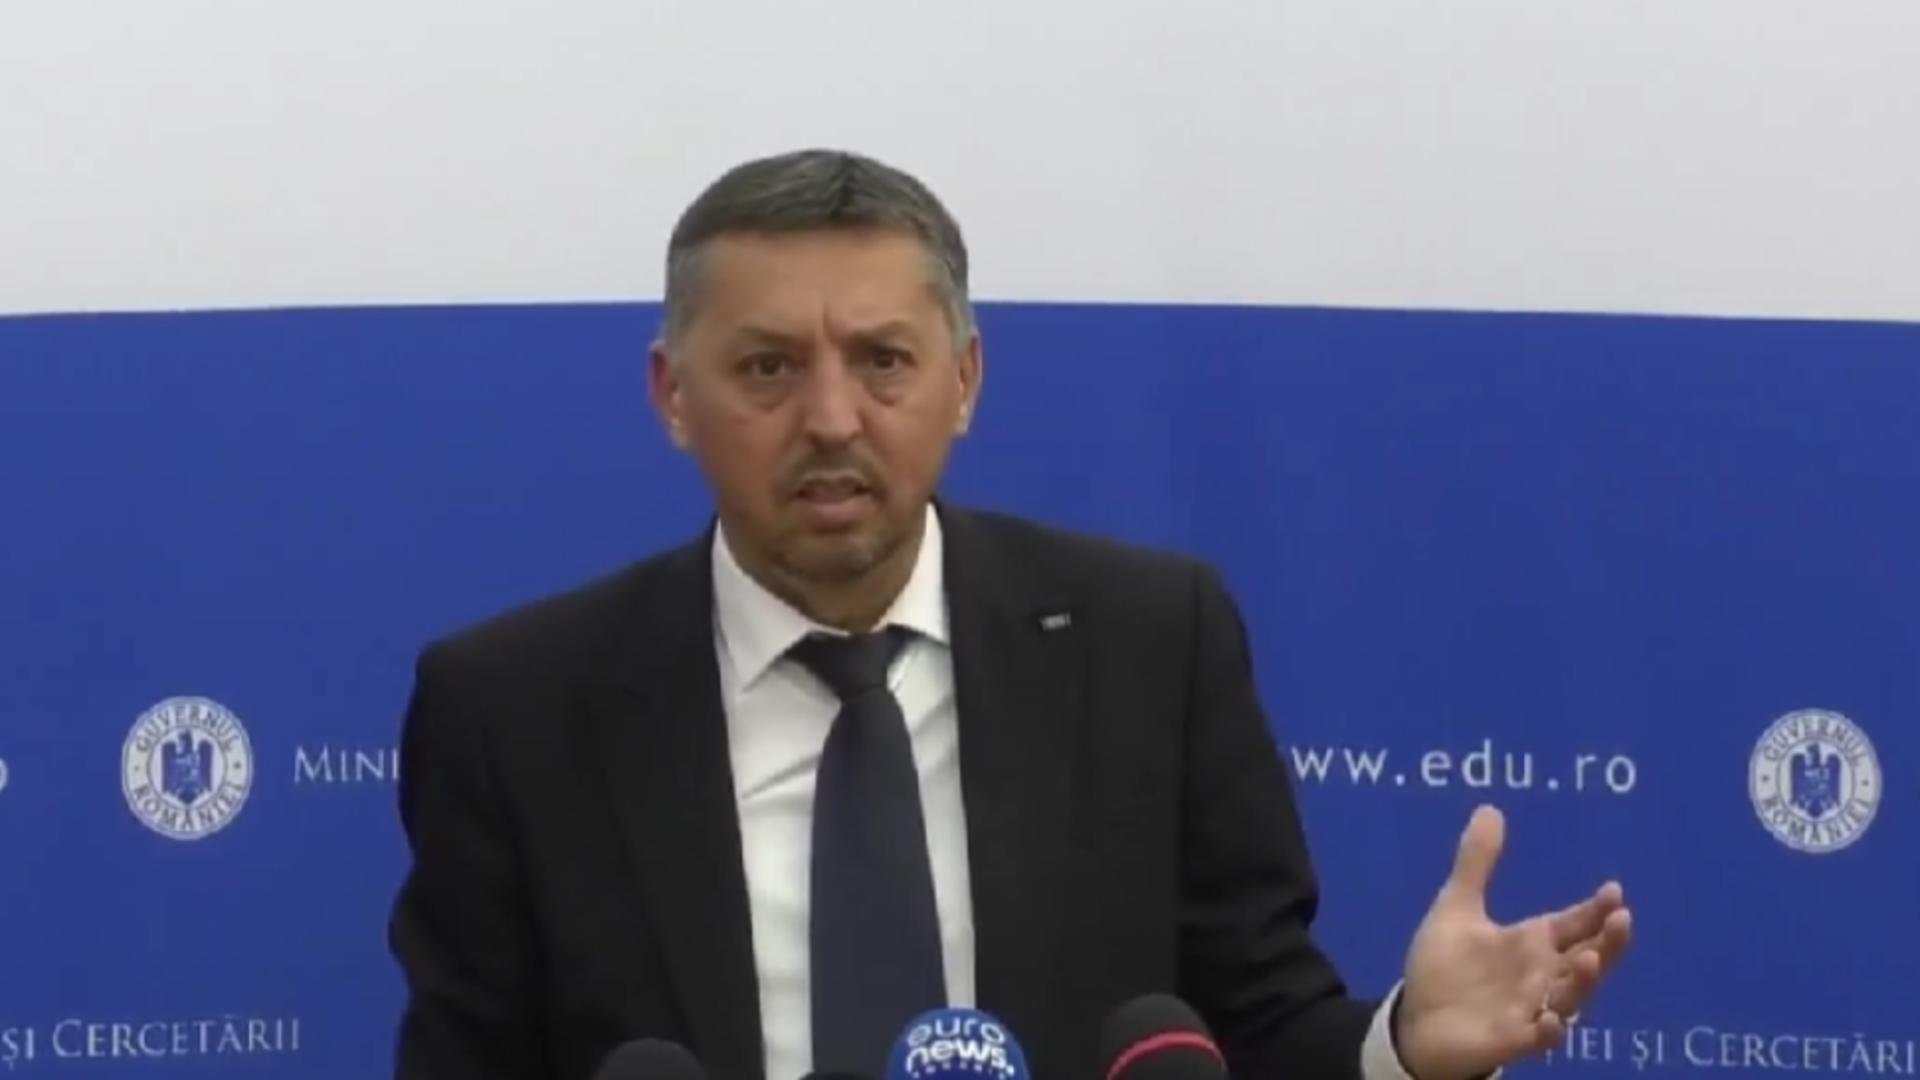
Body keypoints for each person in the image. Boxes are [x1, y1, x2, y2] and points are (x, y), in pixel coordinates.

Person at [387, 148, 1632, 1080]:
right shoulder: (515, 708)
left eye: (883, 360)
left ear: (966, 380)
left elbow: (1251, 1027)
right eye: (768, 367)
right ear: (672, 394)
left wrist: (1401, 1049)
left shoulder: (1152, 643)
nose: (831, 419)